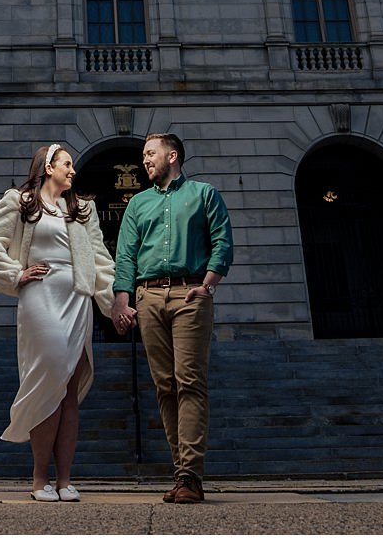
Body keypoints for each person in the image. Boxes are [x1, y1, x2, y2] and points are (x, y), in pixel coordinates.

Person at [0, 143, 118, 502]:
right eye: (66, 164)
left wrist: (115, 303)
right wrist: (16, 273)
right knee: (48, 377)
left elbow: (100, 260)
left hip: (77, 298)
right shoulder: (20, 201)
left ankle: (65, 479)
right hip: (40, 294)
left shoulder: (84, 210)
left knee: (67, 390)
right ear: (48, 166)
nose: (73, 170)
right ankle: (40, 479)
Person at [110, 131, 234, 504]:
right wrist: (122, 300)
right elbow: (126, 254)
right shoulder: (138, 204)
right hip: (148, 297)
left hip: (190, 293)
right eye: (144, 155)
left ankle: (190, 476)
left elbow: (222, 241)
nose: (145, 160)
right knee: (164, 385)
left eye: (151, 154)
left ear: (173, 156)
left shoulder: (204, 195)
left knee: (189, 381)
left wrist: (208, 285)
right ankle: (182, 470)